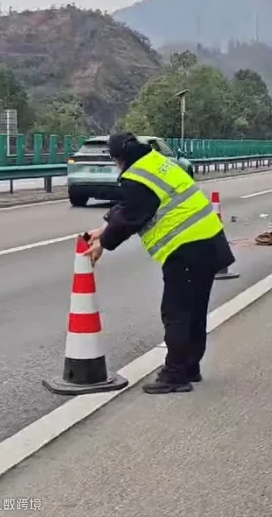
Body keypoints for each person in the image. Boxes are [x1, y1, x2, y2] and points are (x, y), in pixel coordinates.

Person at [84, 132, 235, 394]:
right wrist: (103, 228)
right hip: (209, 242)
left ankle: (175, 375)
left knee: (176, 313)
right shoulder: (156, 162)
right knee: (194, 311)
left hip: (187, 248)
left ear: (118, 159)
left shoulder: (136, 176)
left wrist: (103, 243)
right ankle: (189, 367)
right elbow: (134, 205)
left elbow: (133, 215)